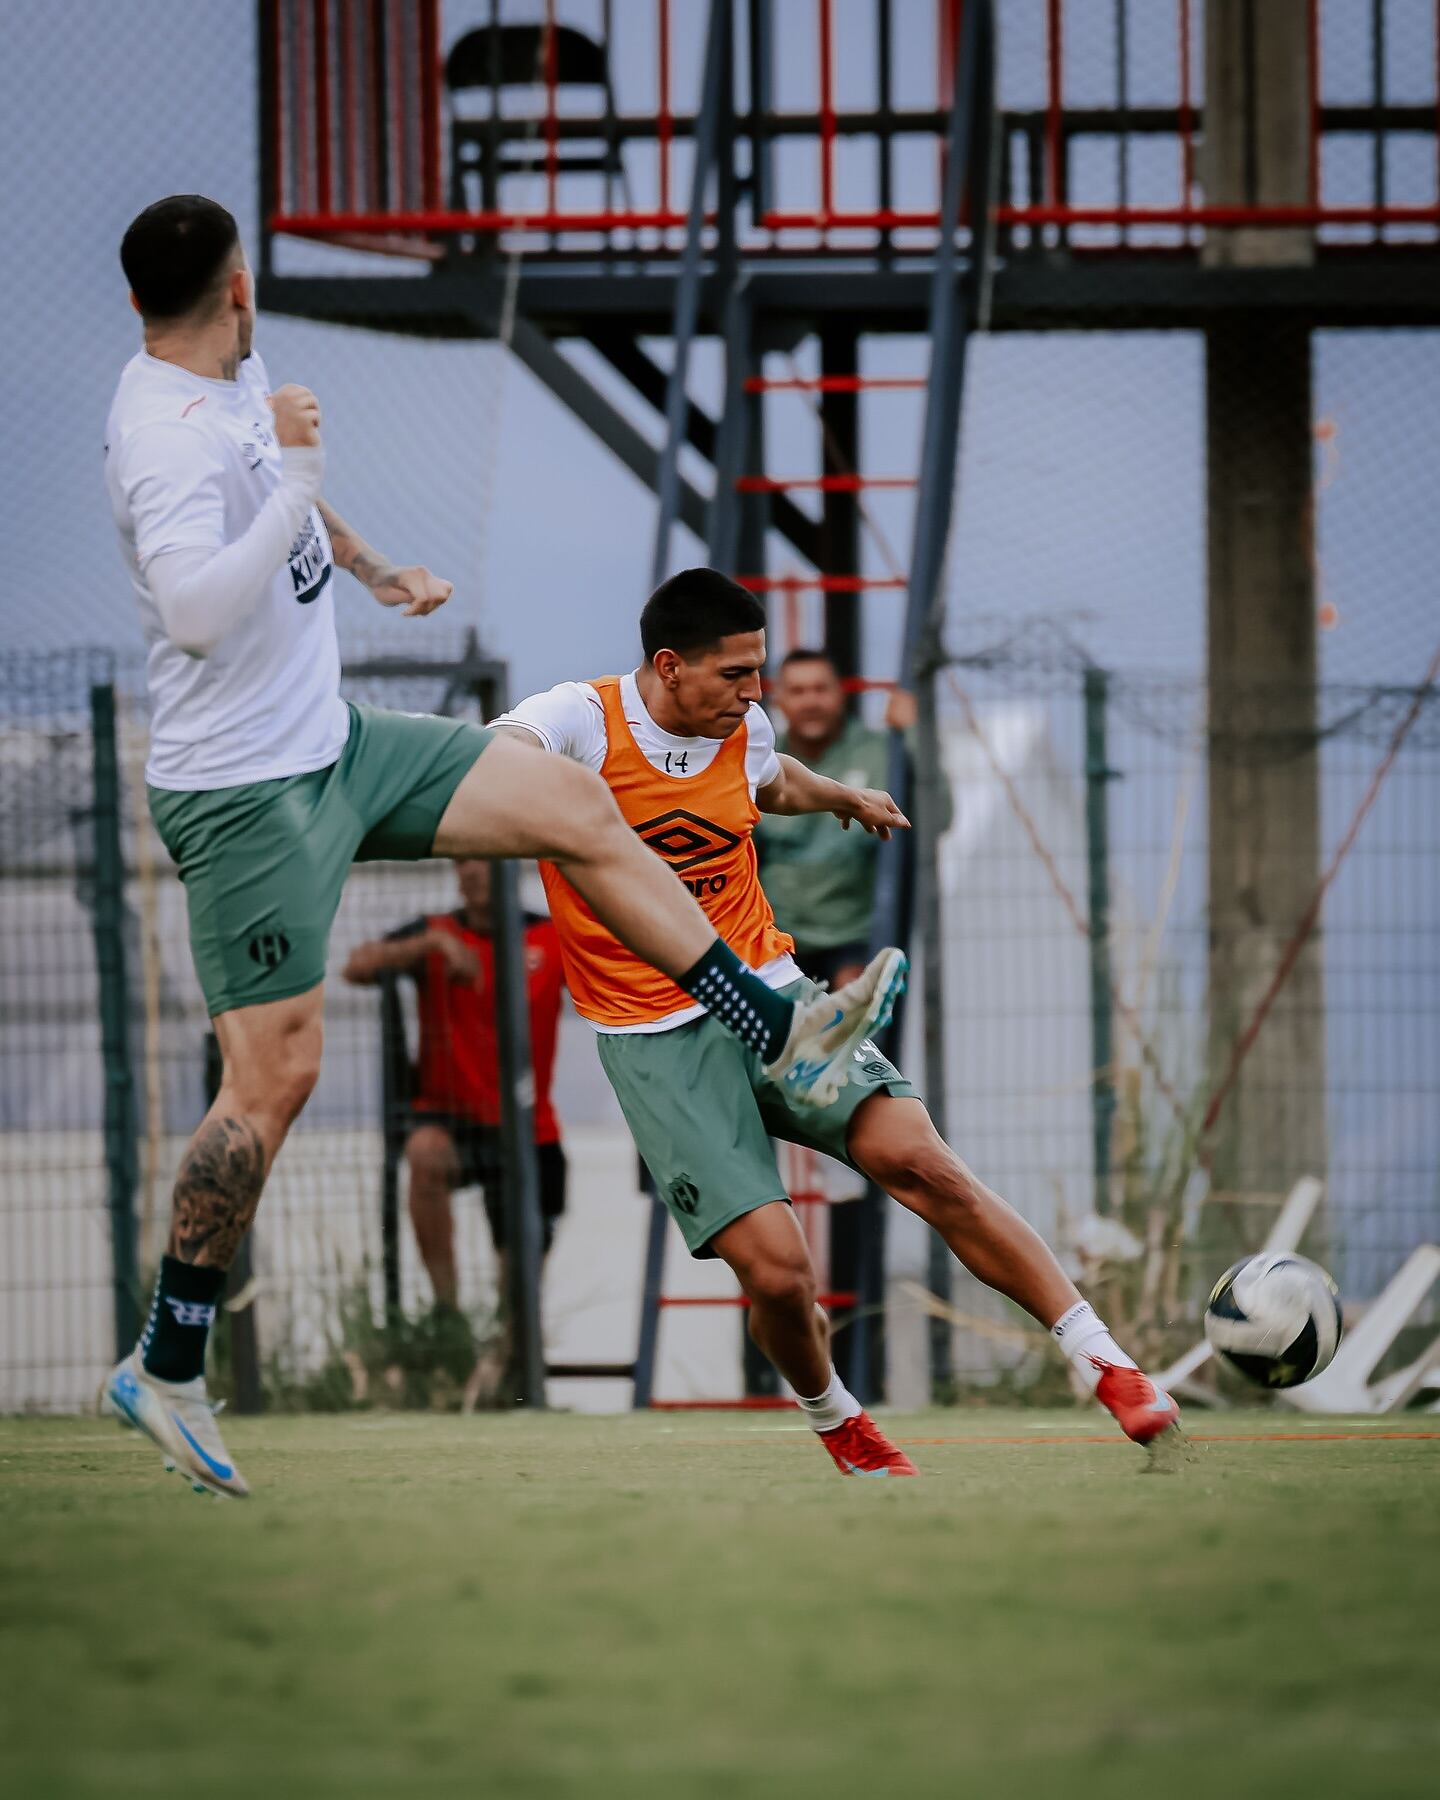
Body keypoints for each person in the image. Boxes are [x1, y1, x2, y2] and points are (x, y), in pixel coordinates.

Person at [99, 195, 904, 1498]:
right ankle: (166, 1362)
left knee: (568, 805)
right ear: (238, 284)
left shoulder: (237, 380)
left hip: (338, 745)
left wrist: (371, 569)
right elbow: (194, 611)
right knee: (271, 1083)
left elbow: (287, 509)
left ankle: (768, 1016)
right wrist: (299, 476)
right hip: (247, 798)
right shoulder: (156, 436)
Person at [494, 568, 1182, 1477]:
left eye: (759, 672)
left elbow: (769, 779)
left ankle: (1109, 1364)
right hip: (654, 1039)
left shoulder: (743, 728)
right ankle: (837, 1418)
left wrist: (844, 795)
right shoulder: (580, 720)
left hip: (777, 1003)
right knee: (779, 1274)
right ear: (668, 666)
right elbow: (499, 750)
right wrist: (515, 777)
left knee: (926, 1164)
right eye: (736, 673)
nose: (754, 692)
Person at [342, 859, 568, 1306]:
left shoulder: (550, 936)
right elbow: (356, 966)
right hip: (453, 1120)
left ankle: (507, 1355)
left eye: (485, 859)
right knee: (423, 1153)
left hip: (528, 1130)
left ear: (508, 867)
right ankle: (447, 1316)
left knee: (518, 1305)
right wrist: (430, 945)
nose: (473, 870)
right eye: (463, 859)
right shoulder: (436, 932)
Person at [758, 647, 896, 992]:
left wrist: (914, 732)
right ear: (779, 700)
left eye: (821, 689)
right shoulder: (760, 759)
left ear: (840, 694)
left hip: (854, 934)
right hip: (776, 936)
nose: (810, 702)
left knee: (849, 1009)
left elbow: (936, 819)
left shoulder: (879, 752)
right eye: (798, 691)